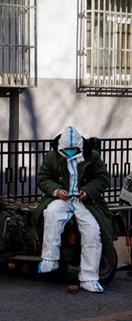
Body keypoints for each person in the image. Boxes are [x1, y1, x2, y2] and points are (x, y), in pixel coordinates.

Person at [33, 126, 112, 293]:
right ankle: (50, 259)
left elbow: (102, 178)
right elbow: (43, 178)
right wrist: (56, 191)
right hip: (62, 198)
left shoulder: (93, 157)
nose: (69, 152)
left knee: (92, 231)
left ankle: (89, 278)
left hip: (85, 201)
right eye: (66, 149)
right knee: (51, 214)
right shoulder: (52, 157)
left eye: (73, 149)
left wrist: (88, 191)